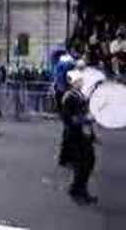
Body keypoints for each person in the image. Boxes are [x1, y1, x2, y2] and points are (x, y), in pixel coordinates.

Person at [62, 70, 98, 205]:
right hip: (75, 136)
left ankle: (79, 189)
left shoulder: (79, 95)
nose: (83, 82)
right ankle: (78, 191)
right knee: (82, 164)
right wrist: (86, 119)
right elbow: (69, 119)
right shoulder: (69, 97)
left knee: (88, 163)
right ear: (75, 82)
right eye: (80, 80)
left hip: (83, 134)